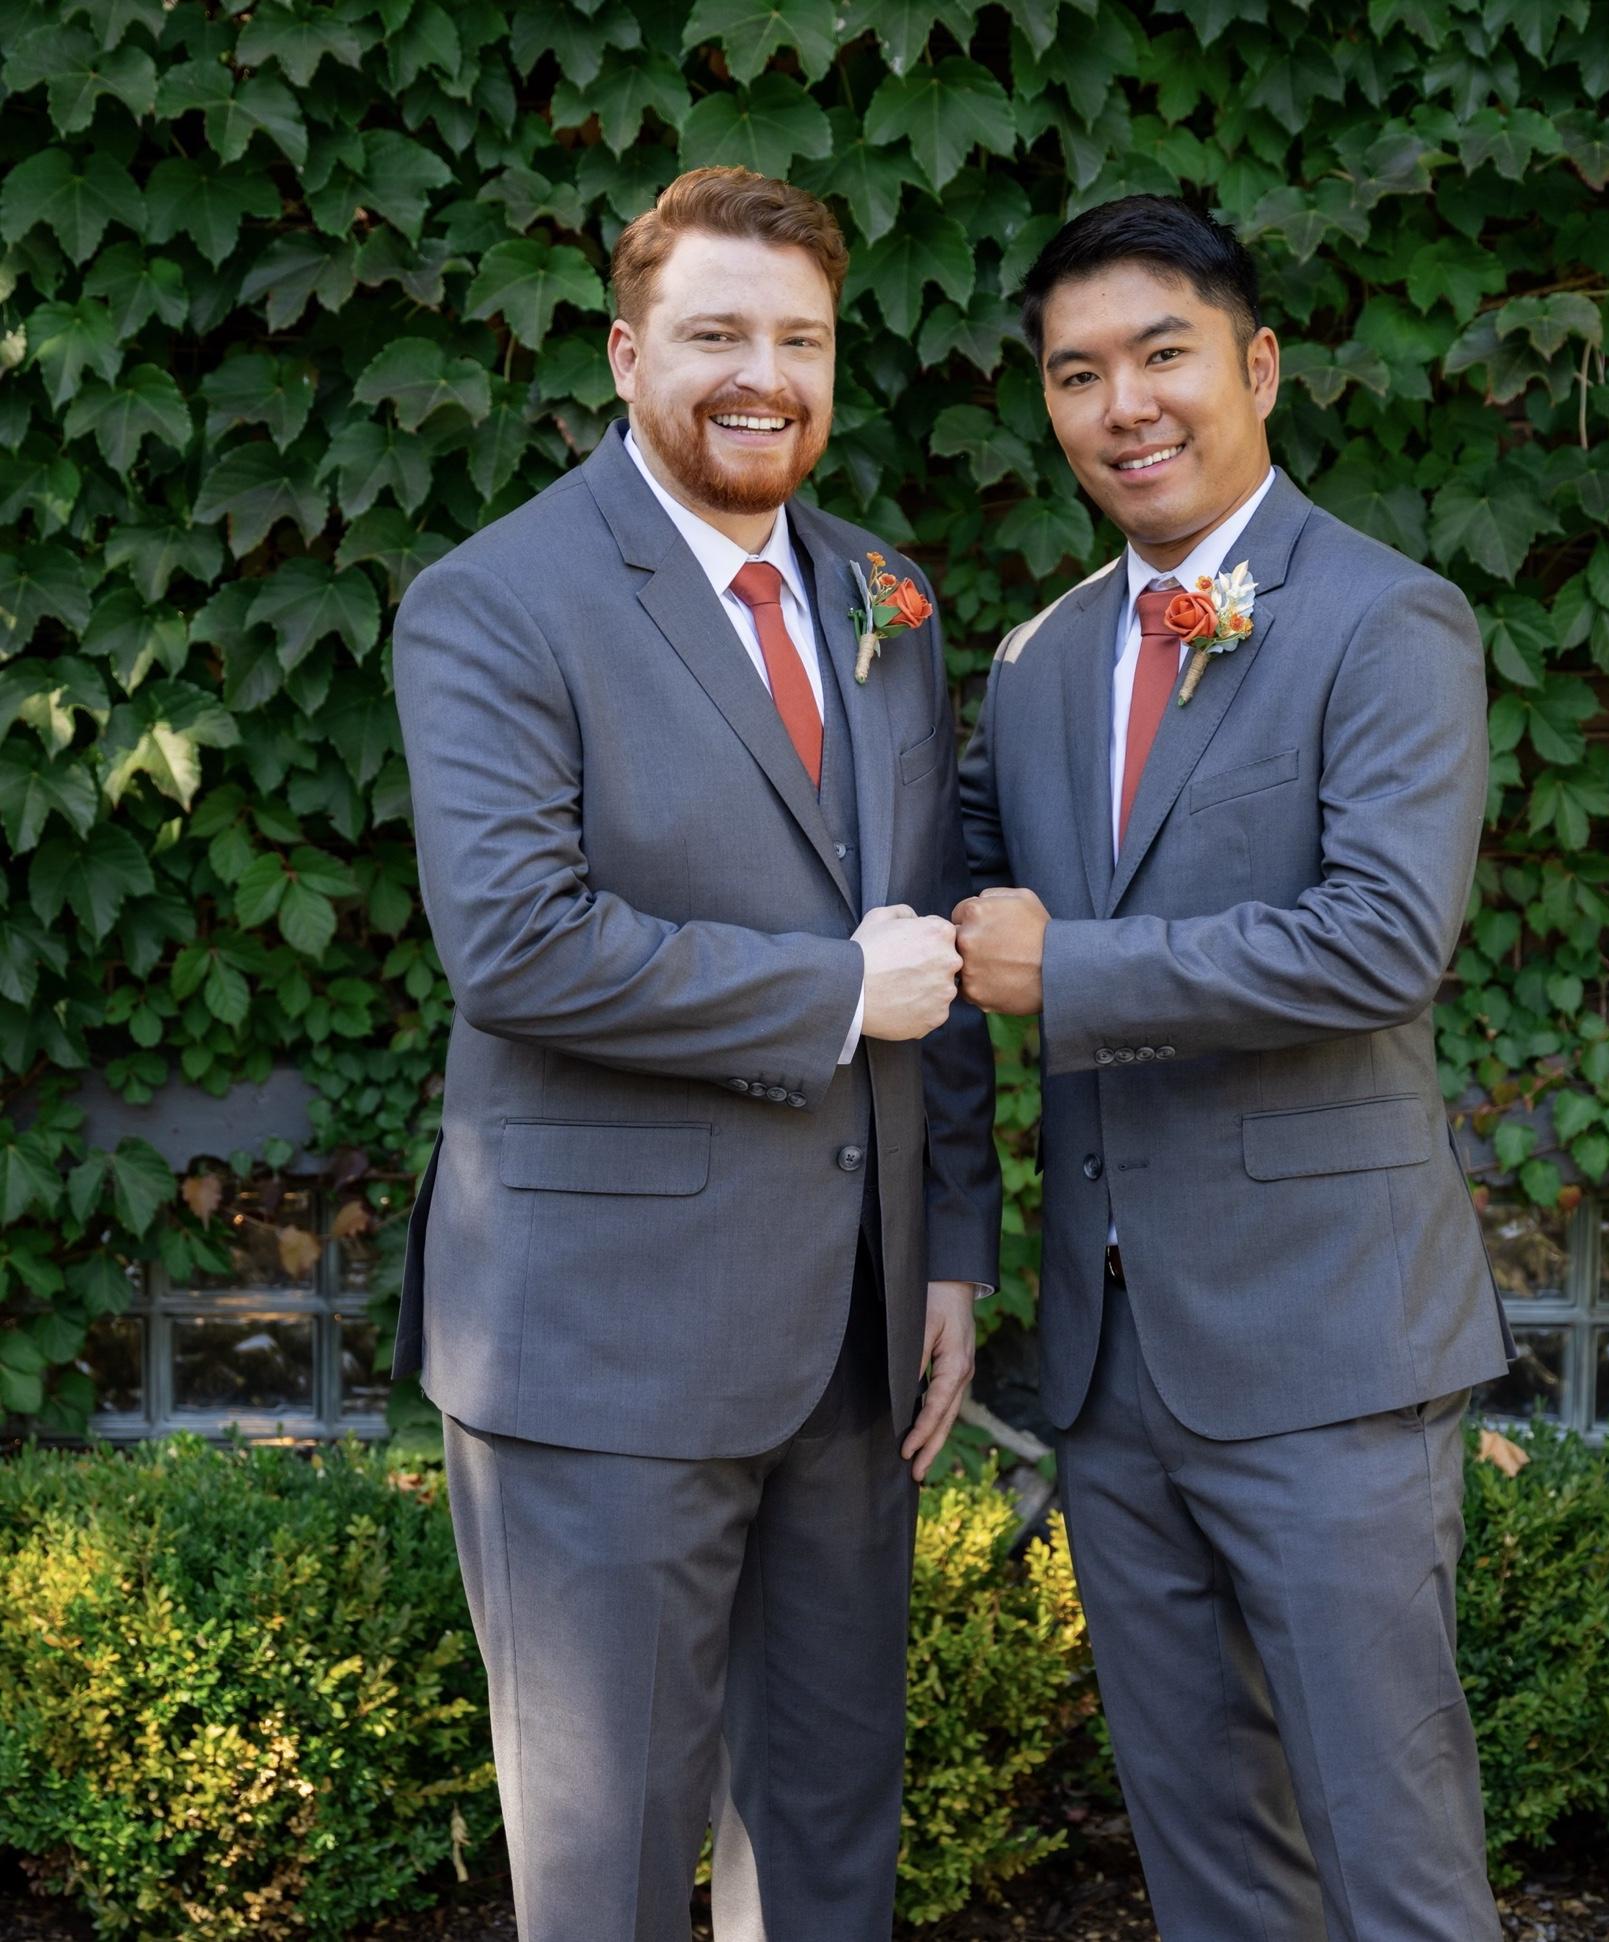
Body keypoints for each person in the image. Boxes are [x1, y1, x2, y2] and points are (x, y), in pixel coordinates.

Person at [391, 164, 1000, 1942]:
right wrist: (826, 993)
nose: (763, 377)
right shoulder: (497, 600)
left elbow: (931, 937)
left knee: (825, 1834)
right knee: (612, 1866)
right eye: (716, 333)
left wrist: (950, 1245)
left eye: (800, 339)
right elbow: (518, 943)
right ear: (622, 352)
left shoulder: (885, 594)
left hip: (855, 1339)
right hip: (604, 1345)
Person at [955, 193, 1515, 1941]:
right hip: (1109, 1374)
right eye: (1075, 373)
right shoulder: (1036, 665)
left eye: (1160, 355)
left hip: (1330, 1352)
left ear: (1256, 366)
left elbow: (1379, 940)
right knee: (1207, 1872)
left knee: (1394, 1871)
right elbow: (927, 915)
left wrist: (1068, 970)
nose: (1121, 404)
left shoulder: (1386, 621)